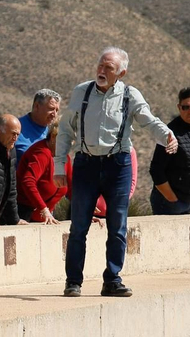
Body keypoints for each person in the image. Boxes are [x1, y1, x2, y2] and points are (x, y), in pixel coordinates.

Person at [54, 47, 178, 298]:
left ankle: (112, 279)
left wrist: (167, 136)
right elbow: (66, 130)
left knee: (118, 225)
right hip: (85, 164)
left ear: (121, 72)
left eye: (108, 67)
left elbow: (148, 120)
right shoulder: (82, 91)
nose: (101, 70)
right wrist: (59, 166)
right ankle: (73, 282)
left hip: (118, 165)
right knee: (79, 227)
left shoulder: (130, 95)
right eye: (100, 65)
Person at [148, 86, 190, 215]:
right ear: (179, 108)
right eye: (186, 107)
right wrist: (171, 198)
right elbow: (156, 170)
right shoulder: (170, 134)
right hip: (170, 203)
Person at [16, 116, 66, 224]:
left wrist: (86, 210)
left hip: (46, 215)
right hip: (24, 213)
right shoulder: (41, 152)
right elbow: (28, 181)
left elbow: (71, 185)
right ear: (53, 137)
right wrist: (43, 209)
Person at [15, 90, 62, 158]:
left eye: (57, 110)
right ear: (36, 106)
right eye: (51, 109)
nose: (54, 114)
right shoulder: (15, 128)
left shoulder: (53, 133)